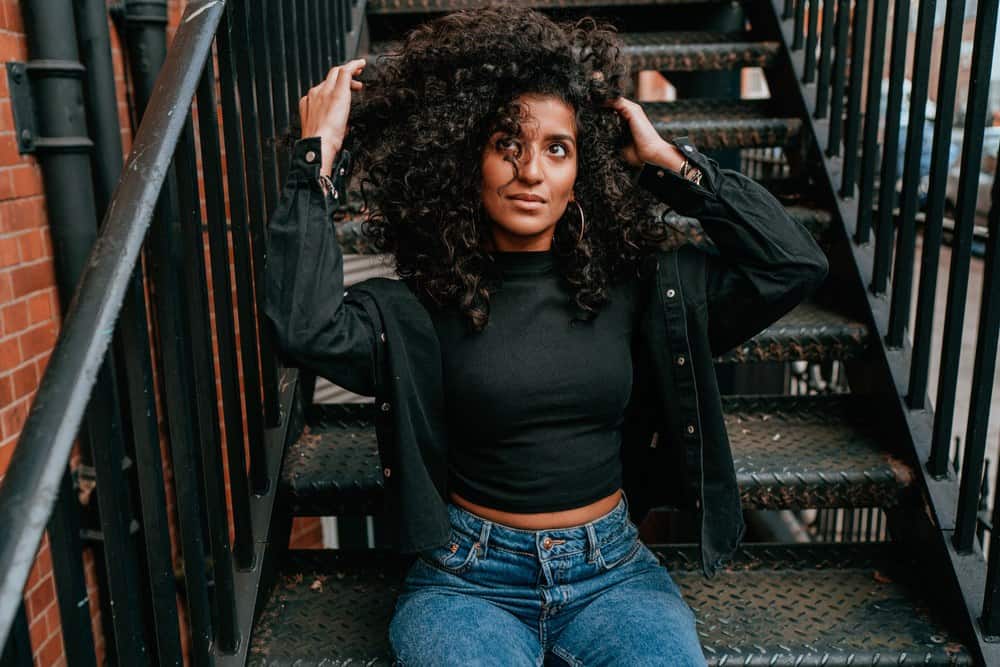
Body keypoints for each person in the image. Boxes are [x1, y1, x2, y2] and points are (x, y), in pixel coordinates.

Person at [264, 6, 828, 666]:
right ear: (464, 160)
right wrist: (316, 159)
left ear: (579, 173)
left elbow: (794, 264)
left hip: (614, 574)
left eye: (556, 148)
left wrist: (667, 162)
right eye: (508, 143)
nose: (531, 170)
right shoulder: (415, 308)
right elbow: (302, 328)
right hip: (468, 582)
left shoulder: (640, 292)